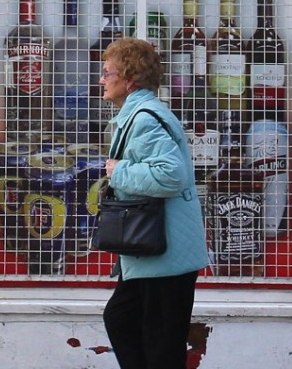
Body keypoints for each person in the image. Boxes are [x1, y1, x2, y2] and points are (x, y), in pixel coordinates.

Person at [100, 37, 208, 368]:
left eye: (108, 72)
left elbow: (171, 176)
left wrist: (118, 172)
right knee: (125, 319)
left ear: (129, 78)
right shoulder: (138, 113)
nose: (101, 79)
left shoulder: (144, 118)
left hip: (163, 250)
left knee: (159, 341)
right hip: (153, 250)